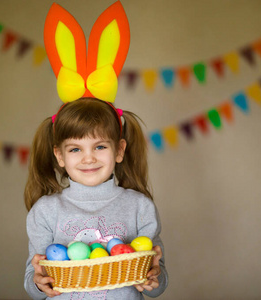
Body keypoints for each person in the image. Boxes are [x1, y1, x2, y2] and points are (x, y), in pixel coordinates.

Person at [23, 97, 168, 299]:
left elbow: (158, 286)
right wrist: (38, 284)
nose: (88, 158)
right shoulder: (45, 210)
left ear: (119, 150)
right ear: (59, 156)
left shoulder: (140, 206)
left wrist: (154, 277)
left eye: (100, 147)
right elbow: (33, 284)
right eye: (75, 149)